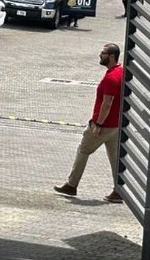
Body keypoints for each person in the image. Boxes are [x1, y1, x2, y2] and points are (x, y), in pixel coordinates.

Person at [54, 43, 125, 203]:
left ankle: (72, 185)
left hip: (103, 127)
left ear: (112, 56)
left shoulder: (111, 78)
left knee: (83, 151)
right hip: (116, 126)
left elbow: (107, 104)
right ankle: (119, 191)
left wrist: (97, 124)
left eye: (104, 53)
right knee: (115, 159)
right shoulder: (121, 72)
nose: (100, 55)